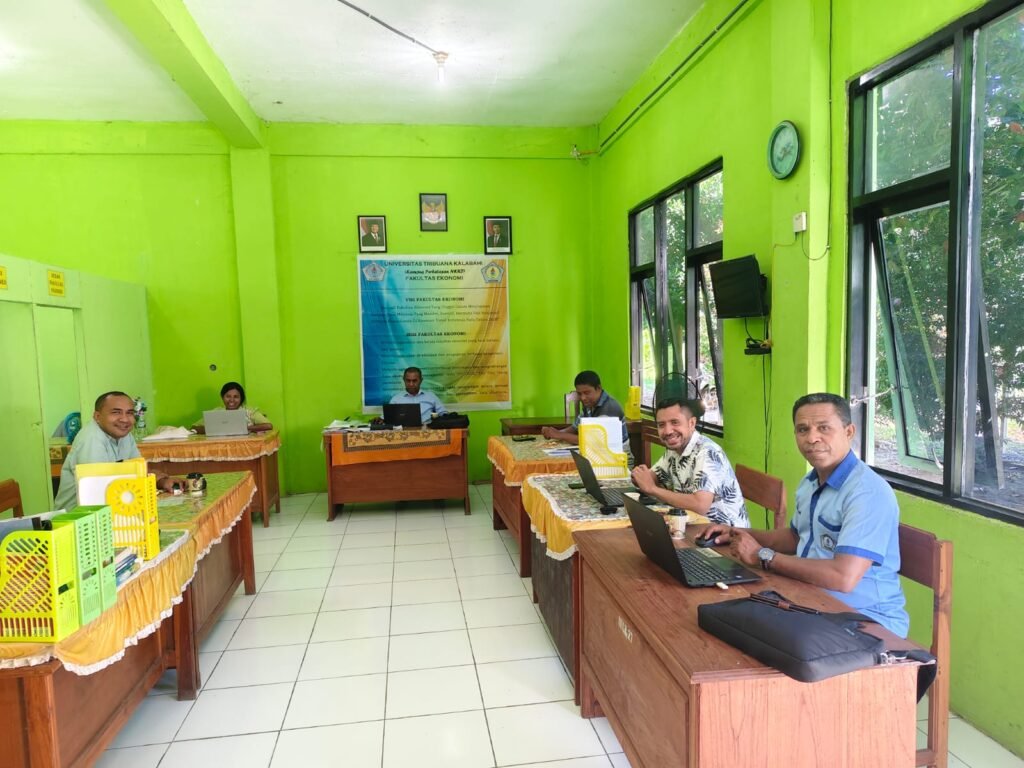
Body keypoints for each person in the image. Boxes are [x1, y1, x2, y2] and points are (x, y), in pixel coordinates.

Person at [701, 393, 909, 637]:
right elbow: (796, 537)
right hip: (811, 600)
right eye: (803, 429)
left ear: (849, 432)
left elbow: (843, 578)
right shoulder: (811, 481)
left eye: (824, 428)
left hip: (866, 621)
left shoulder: (866, 492)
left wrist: (763, 556)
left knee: (739, 633)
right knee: (717, 613)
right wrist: (737, 532)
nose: (812, 438)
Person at [630, 397, 749, 527]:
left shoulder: (707, 453)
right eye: (661, 425)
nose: (668, 431)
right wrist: (640, 477)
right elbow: (652, 477)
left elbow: (700, 505)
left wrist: (652, 489)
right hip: (692, 526)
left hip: (726, 533)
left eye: (675, 422)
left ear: (691, 423)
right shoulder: (674, 450)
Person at [54, 391, 184, 510]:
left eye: (129, 413)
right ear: (97, 416)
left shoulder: (124, 434)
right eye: (116, 412)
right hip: (80, 519)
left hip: (112, 508)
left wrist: (162, 481)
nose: (125, 419)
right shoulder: (91, 439)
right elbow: (100, 488)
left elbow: (138, 470)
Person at [542, 370, 633, 466]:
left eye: (587, 392)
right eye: (579, 394)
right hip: (599, 457)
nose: (583, 398)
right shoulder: (590, 404)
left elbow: (591, 441)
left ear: (598, 388)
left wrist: (559, 435)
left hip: (619, 464)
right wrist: (555, 432)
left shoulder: (609, 408)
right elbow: (575, 427)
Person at [194, 381, 272, 434]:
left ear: (241, 398)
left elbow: (268, 426)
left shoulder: (249, 412)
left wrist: (245, 428)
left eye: (236, 397)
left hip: (247, 448)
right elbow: (194, 428)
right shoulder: (216, 412)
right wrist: (214, 429)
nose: (231, 400)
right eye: (228, 396)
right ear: (222, 397)